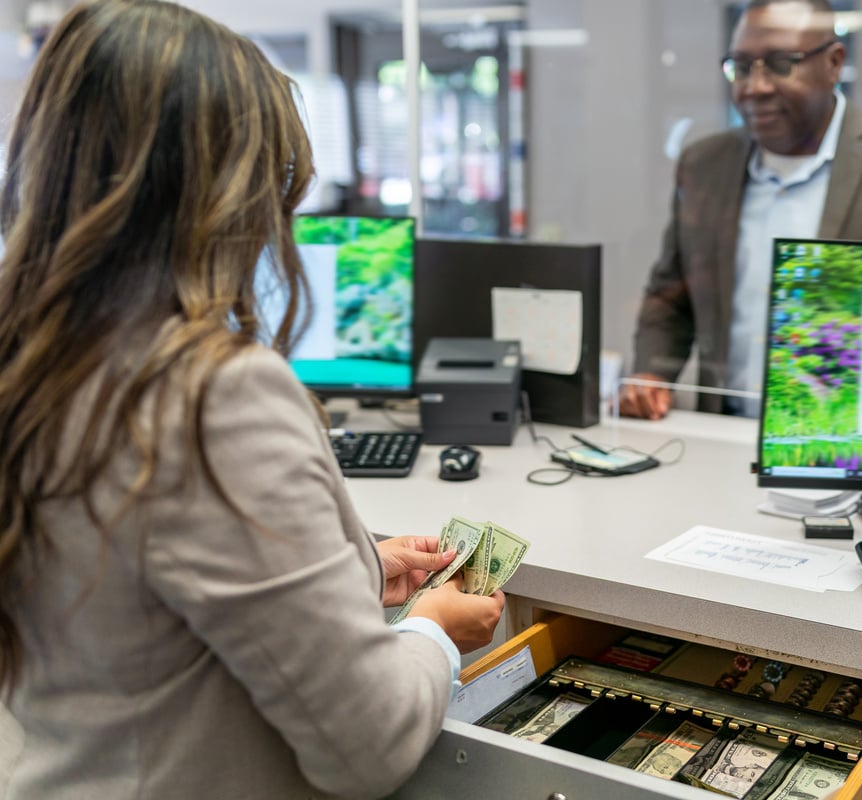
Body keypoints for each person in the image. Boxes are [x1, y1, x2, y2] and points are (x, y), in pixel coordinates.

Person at [0, 2, 504, 798]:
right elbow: (367, 746)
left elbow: (148, 588)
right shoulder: (213, 395)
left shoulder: (35, 359)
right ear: (224, 189)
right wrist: (434, 635)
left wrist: (357, 568)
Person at [622, 0, 862, 420]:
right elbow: (672, 294)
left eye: (780, 64)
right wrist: (651, 371)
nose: (754, 86)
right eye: (741, 67)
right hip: (724, 441)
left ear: (834, 63)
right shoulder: (704, 166)